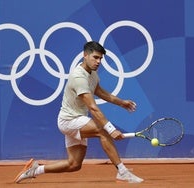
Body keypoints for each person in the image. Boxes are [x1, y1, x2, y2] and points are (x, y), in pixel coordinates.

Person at [14, 41, 143, 183]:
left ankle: (34, 169)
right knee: (102, 130)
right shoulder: (79, 77)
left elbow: (99, 91)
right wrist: (111, 129)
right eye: (95, 57)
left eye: (100, 58)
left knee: (74, 164)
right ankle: (122, 171)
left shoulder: (92, 73)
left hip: (78, 119)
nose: (98, 61)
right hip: (69, 121)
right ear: (85, 55)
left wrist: (121, 102)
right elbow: (93, 108)